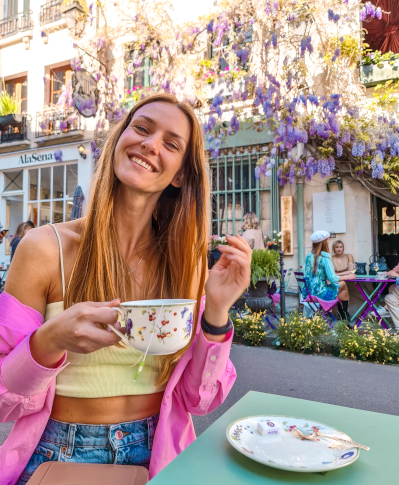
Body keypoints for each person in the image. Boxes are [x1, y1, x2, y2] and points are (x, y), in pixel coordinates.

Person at [0, 94, 251, 485]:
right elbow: (3, 400)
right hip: (59, 451)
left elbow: (197, 400)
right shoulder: (45, 249)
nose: (151, 145)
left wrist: (216, 314)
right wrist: (48, 341)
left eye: (171, 144)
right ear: (120, 139)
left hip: (159, 453)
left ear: (181, 174)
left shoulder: (185, 261)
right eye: (142, 128)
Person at [304, 231, 355, 307]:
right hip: (321, 293)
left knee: (344, 293)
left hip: (308, 293)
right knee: (343, 284)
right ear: (324, 242)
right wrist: (347, 277)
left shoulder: (309, 255)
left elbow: (306, 275)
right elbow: (332, 278)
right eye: (327, 240)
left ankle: (340, 315)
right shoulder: (325, 256)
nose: (328, 242)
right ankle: (342, 315)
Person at [331, 240, 355, 320]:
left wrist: (337, 274)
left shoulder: (348, 256)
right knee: (343, 288)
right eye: (337, 247)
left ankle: (341, 313)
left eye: (341, 247)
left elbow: (351, 270)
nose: (339, 249)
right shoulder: (330, 258)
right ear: (334, 249)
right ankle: (344, 313)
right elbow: (330, 274)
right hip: (334, 281)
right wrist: (344, 274)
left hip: (347, 280)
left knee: (343, 283)